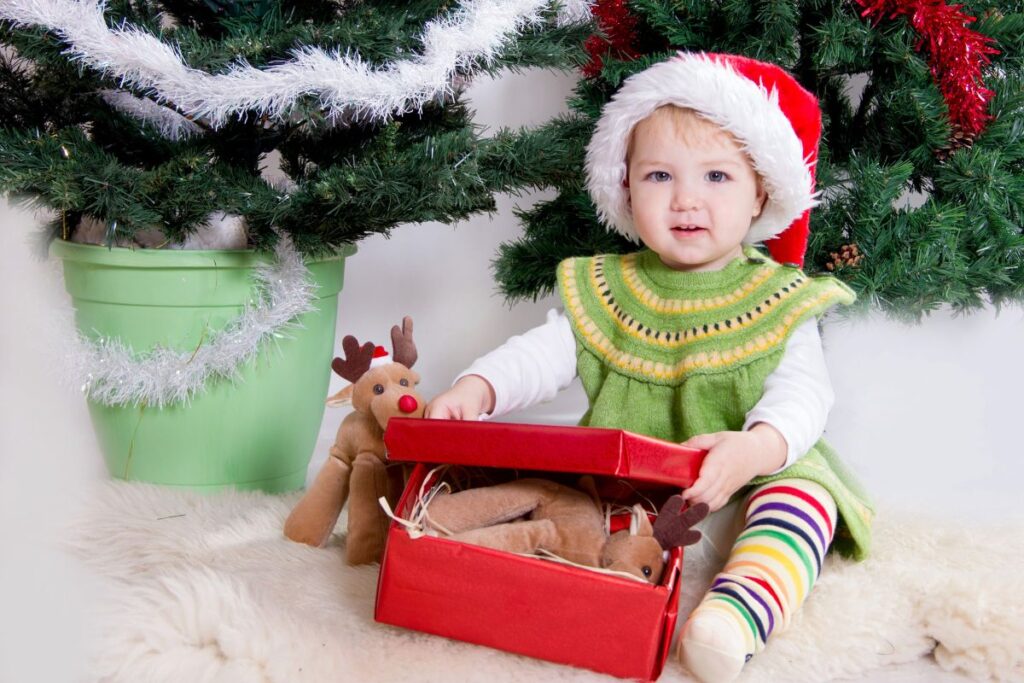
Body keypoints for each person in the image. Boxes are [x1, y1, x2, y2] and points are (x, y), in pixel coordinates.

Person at [426, 52, 872, 683]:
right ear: (626, 188)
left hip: (744, 478)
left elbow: (803, 395)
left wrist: (754, 450)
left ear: (760, 195)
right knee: (564, 500)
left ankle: (739, 610)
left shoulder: (781, 298)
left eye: (717, 177)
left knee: (803, 501)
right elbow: (545, 352)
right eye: (660, 175)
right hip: (638, 489)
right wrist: (480, 387)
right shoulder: (608, 288)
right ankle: (568, 569)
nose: (686, 199)